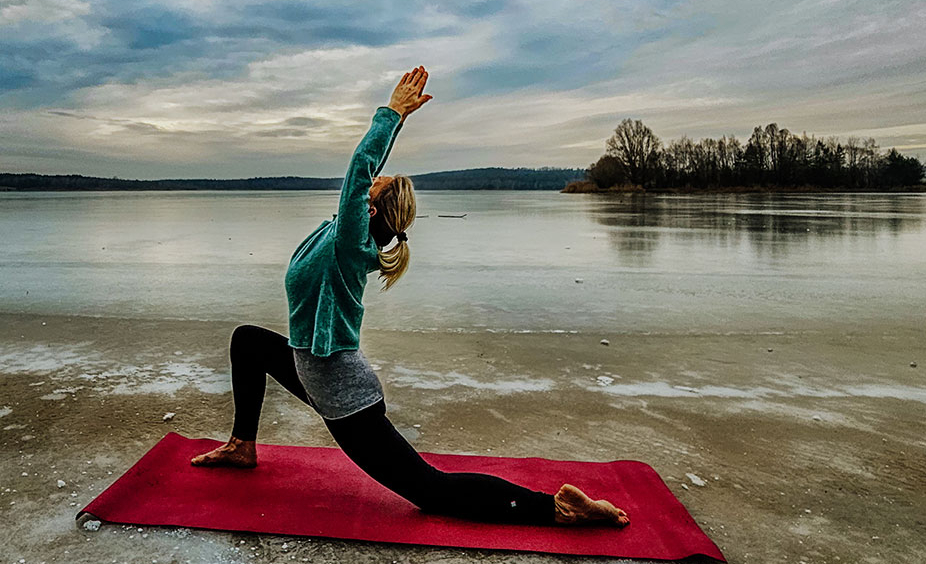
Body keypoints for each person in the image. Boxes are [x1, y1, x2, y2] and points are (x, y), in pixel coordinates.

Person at [196, 66, 629, 526]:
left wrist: (392, 113)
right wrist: (399, 124)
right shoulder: (338, 236)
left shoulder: (349, 244)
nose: (364, 186)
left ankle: (558, 509)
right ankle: (243, 445)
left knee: (430, 490)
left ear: (372, 207)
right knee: (247, 341)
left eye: (372, 188)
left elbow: (360, 166)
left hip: (345, 397)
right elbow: (363, 179)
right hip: (313, 369)